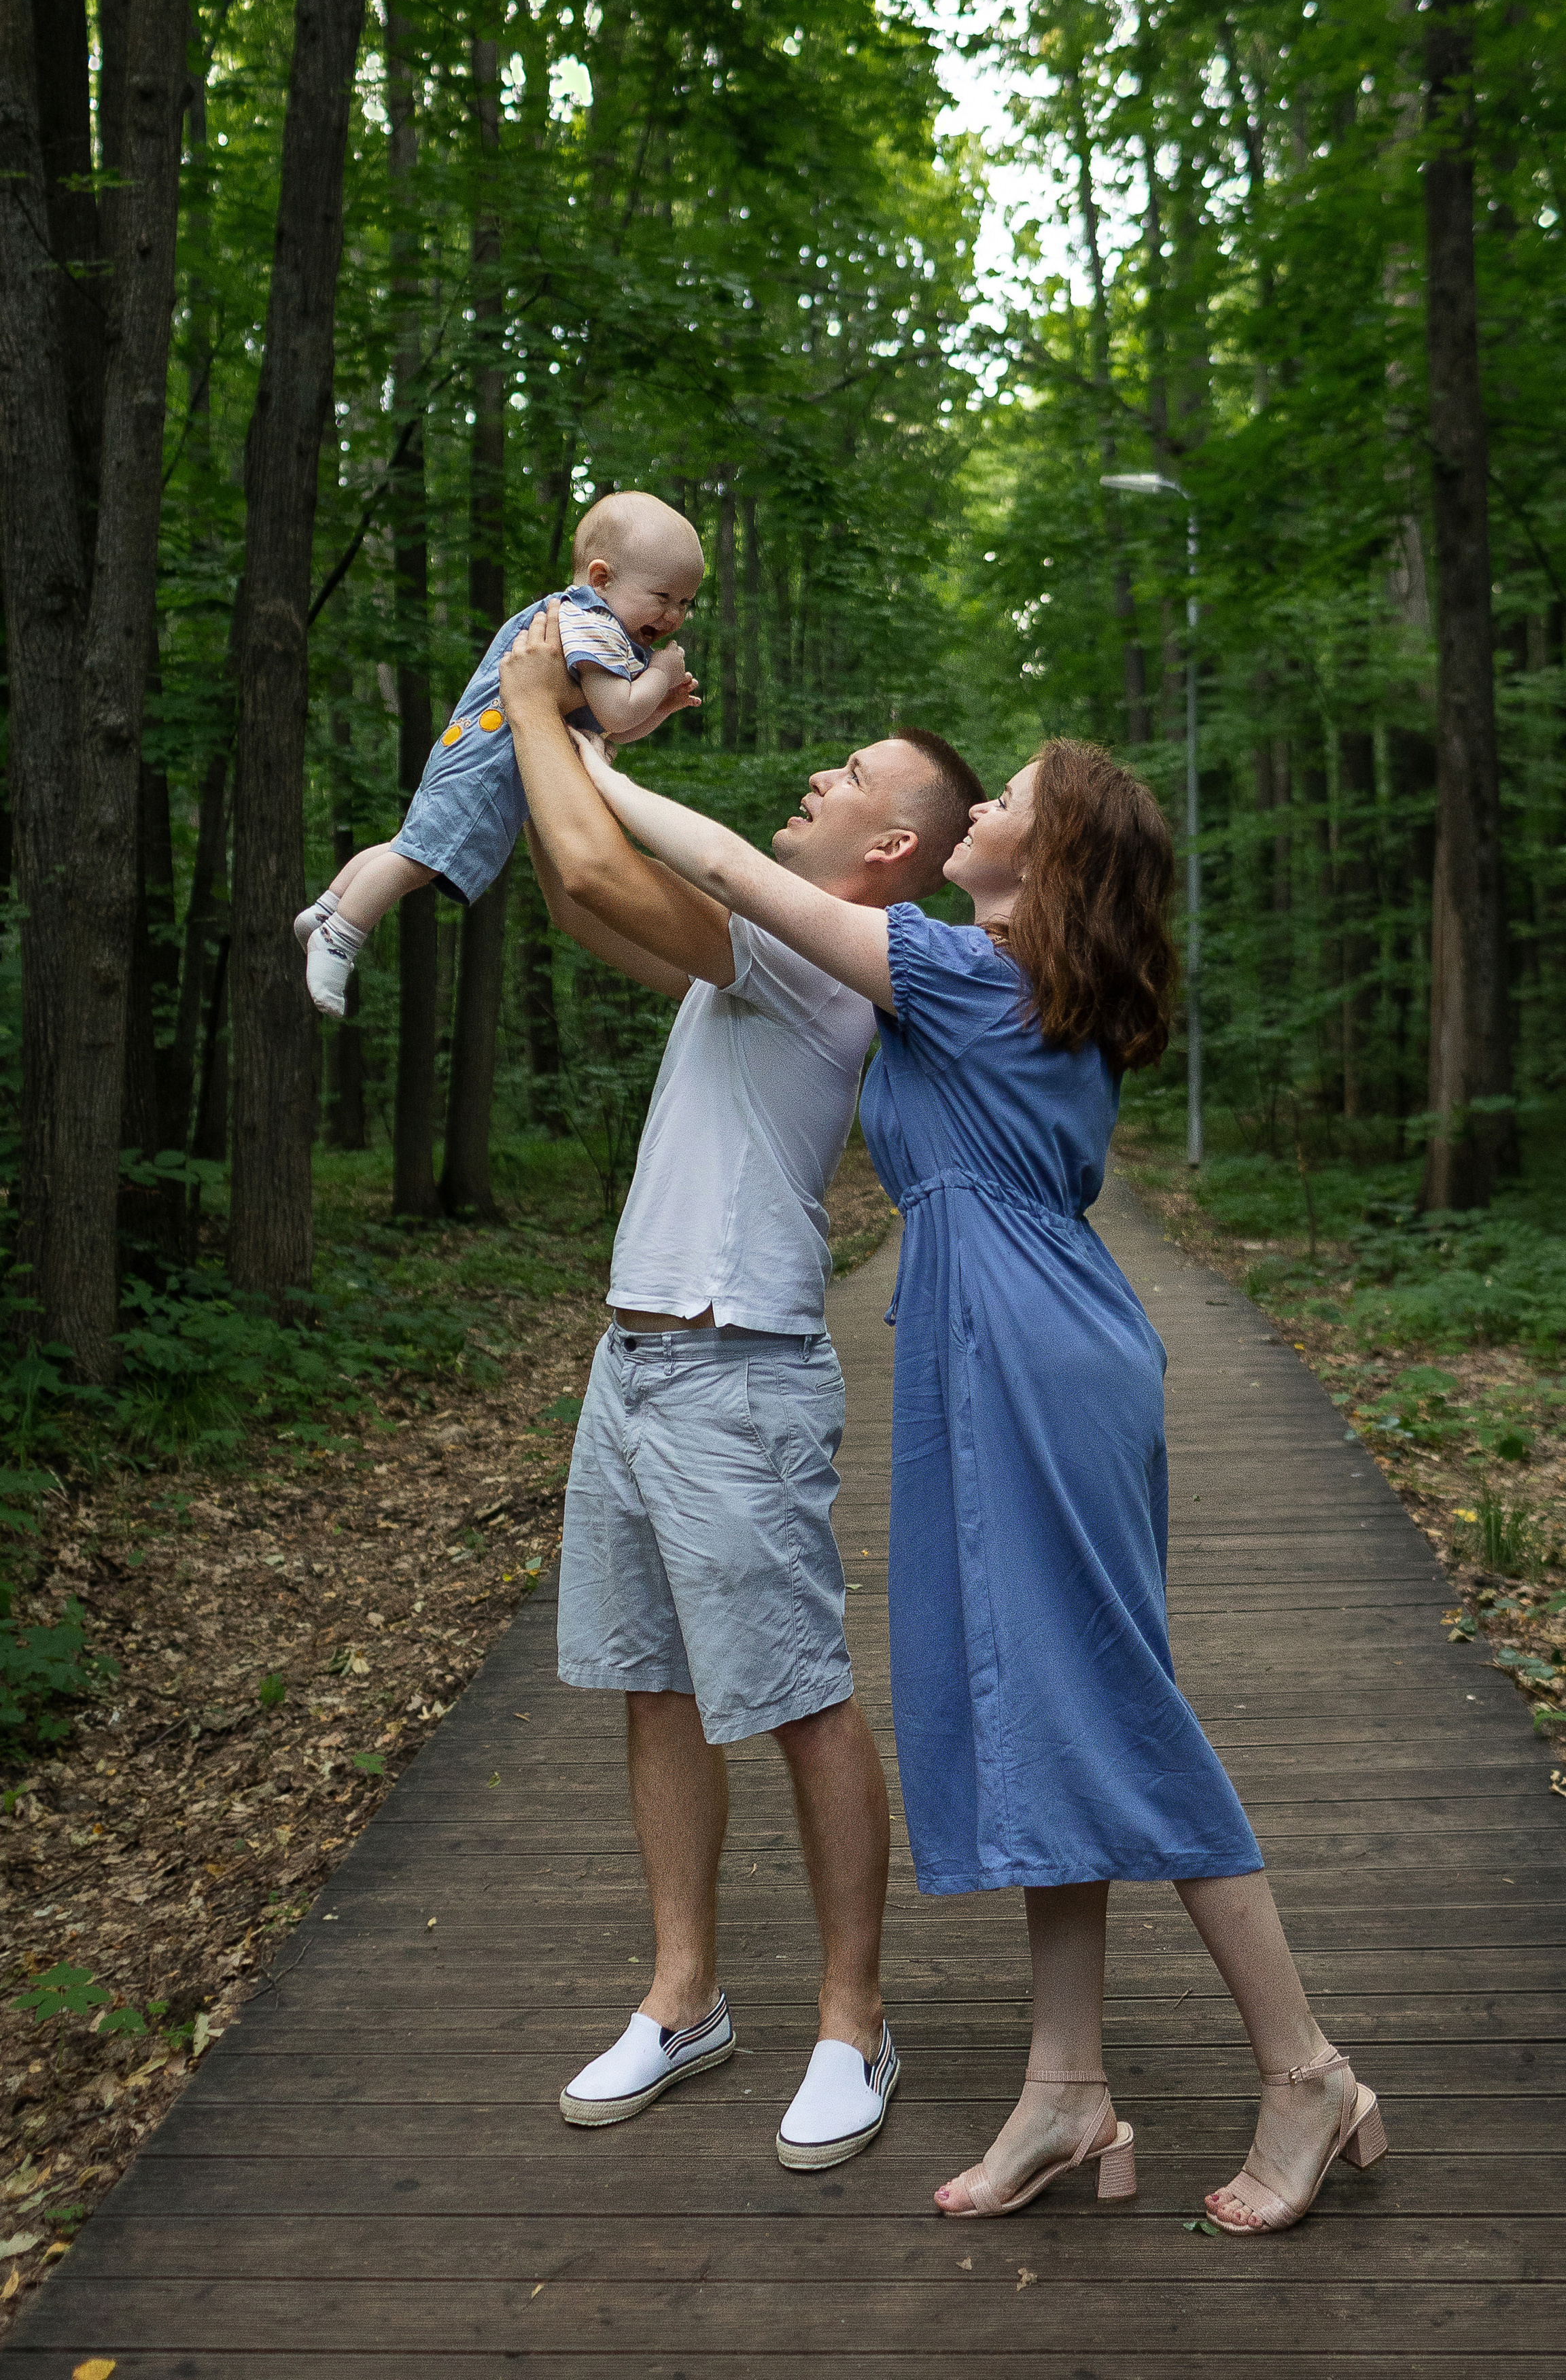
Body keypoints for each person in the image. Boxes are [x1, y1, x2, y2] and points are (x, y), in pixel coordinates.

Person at [555, 702, 1387, 2235]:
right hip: (990, 1341)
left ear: (1041, 858)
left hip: (1024, 1354)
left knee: (1109, 1707)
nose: (978, 806)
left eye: (1004, 796)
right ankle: (1065, 2091)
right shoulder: (1015, 991)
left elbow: (739, 872)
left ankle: (1305, 2069)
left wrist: (601, 773)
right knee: (1029, 1712)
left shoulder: (959, 971)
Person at [496, 603, 984, 2173]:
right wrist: (558, 749)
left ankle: (855, 2021)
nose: (819, 773)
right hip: (630, 1358)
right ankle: (683, 1995)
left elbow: (592, 863)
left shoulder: (826, 966)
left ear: (890, 849)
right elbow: (586, 908)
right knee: (655, 1685)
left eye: (851, 774)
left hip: (736, 1365)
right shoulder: (755, 955)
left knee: (796, 1700)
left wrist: (543, 706)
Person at [296, 491, 703, 1017]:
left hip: (477, 749)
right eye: (663, 596)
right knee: (421, 859)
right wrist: (659, 676)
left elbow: (609, 729)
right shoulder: (593, 622)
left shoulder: (600, 626)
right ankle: (340, 940)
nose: (674, 615)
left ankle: (328, 909)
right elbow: (618, 712)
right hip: (493, 763)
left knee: (413, 844)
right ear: (602, 579)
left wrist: (661, 708)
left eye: (686, 603)